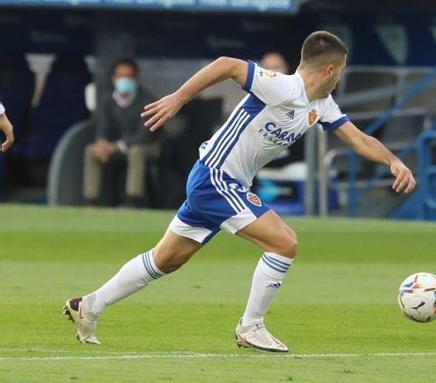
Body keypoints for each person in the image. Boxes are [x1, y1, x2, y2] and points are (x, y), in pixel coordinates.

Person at [63, 31, 416, 351]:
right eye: (339, 72)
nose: (338, 79)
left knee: (165, 260)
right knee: (285, 242)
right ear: (328, 70)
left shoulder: (320, 105)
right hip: (216, 178)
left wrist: (393, 162)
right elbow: (227, 65)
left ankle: (89, 305)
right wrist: (179, 98)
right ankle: (251, 326)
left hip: (220, 183)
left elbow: (357, 138)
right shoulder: (282, 87)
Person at [83, 58, 159, 207]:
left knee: (136, 151)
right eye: (120, 76)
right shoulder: (107, 100)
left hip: (148, 147)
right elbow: (102, 128)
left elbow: (144, 136)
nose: (124, 80)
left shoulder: (148, 101)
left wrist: (115, 147)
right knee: (91, 151)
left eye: (128, 76)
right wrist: (102, 144)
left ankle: (132, 202)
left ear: (136, 78)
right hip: (115, 147)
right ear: (113, 78)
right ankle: (91, 202)